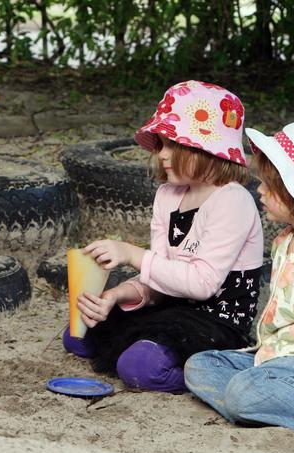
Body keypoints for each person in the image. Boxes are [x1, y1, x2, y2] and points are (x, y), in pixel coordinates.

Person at [63, 80, 264, 393]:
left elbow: (201, 284)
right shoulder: (167, 195)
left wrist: (132, 254)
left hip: (217, 322)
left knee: (139, 367)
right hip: (172, 309)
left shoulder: (232, 200)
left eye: (172, 145)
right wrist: (115, 296)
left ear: (205, 149)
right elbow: (159, 279)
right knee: (78, 335)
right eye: (159, 144)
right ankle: (152, 348)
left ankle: (206, 374)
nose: (161, 155)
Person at [184, 118, 294, 436]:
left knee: (243, 392)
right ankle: (261, 402)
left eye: (270, 186)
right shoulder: (283, 241)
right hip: (276, 358)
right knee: (200, 365)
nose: (259, 190)